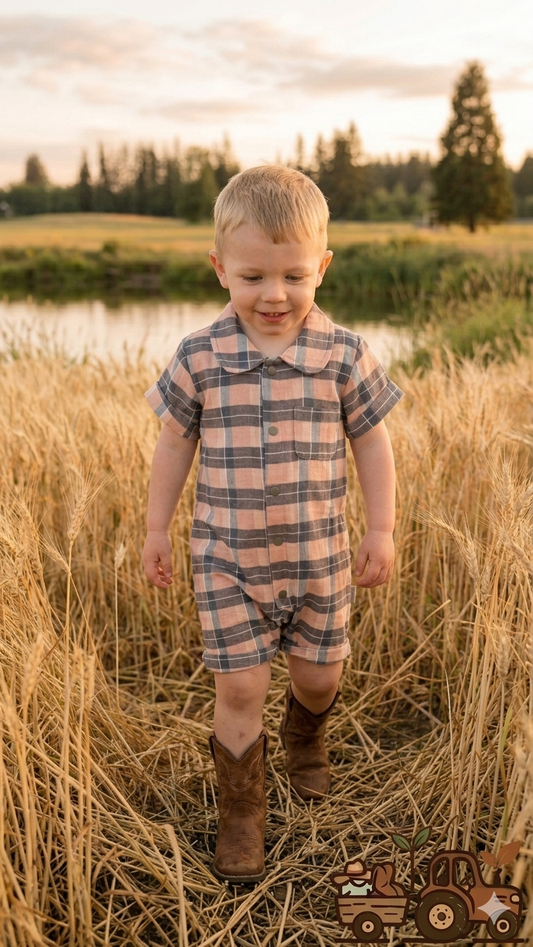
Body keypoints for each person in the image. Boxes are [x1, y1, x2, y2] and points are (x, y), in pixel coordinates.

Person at [142, 166, 403, 884]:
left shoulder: (342, 353)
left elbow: (372, 442)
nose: (274, 295)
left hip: (319, 559)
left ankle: (306, 736)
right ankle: (242, 816)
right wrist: (156, 528)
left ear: (321, 266)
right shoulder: (202, 354)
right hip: (227, 560)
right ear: (220, 267)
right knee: (239, 689)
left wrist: (379, 529)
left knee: (320, 676)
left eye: (293, 275)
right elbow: (174, 443)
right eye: (252, 275)